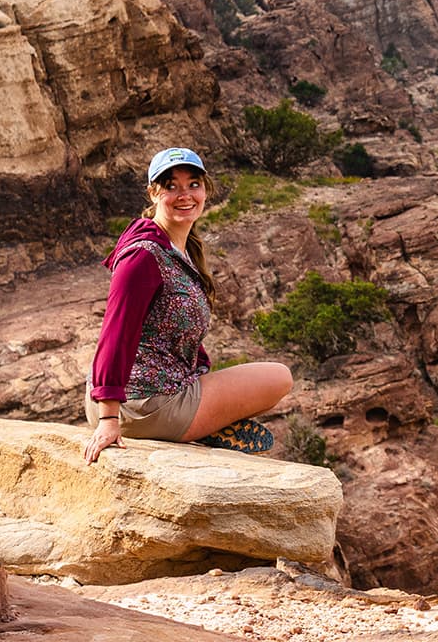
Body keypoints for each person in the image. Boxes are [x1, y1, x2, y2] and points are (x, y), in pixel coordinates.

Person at [83, 147, 293, 463]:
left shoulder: (177, 250)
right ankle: (194, 427)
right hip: (140, 405)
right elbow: (115, 334)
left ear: (205, 190)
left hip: (148, 395)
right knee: (280, 378)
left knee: (266, 390)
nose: (185, 195)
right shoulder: (143, 256)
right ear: (153, 193)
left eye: (193, 184)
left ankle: (197, 424)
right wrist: (108, 420)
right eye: (171, 186)